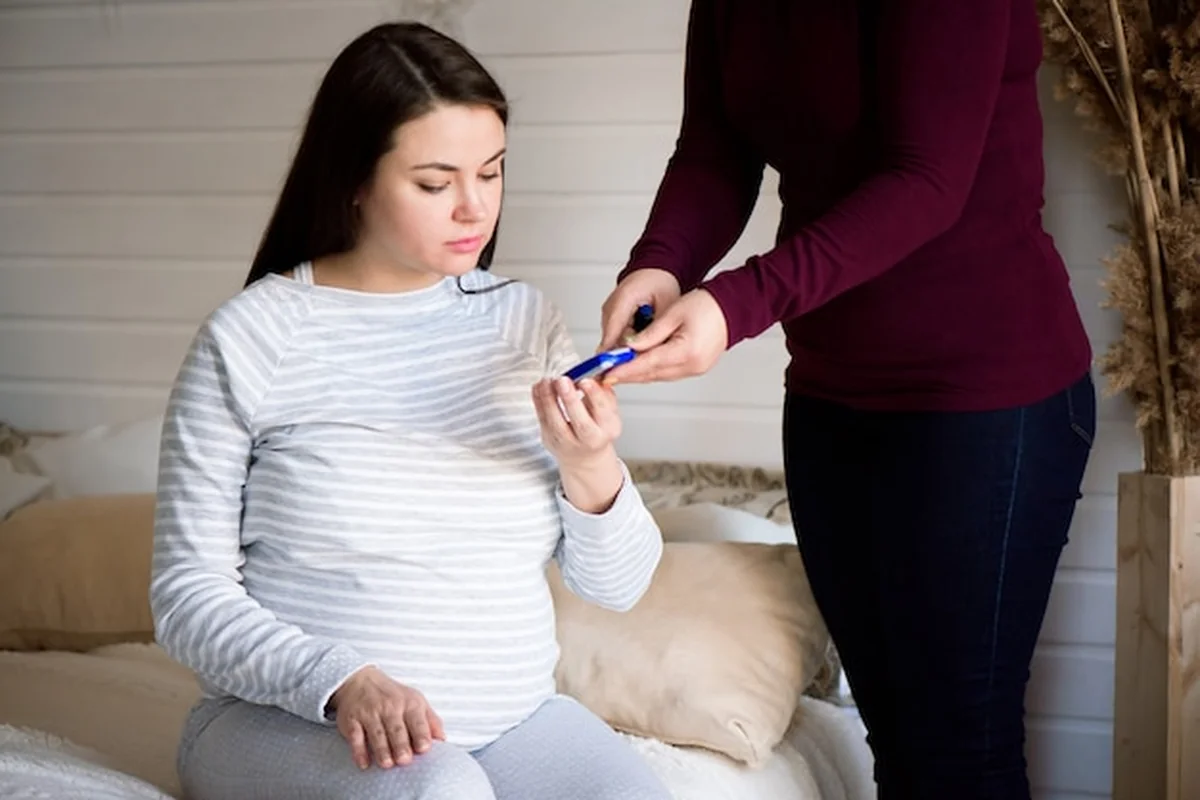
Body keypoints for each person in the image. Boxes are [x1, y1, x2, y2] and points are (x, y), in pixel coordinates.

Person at [150, 22, 671, 800]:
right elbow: (186, 597)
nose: (474, 208)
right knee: (443, 791)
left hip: (511, 723)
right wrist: (342, 680)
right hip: (289, 725)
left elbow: (618, 588)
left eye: (491, 173)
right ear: (353, 178)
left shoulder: (526, 326)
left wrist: (589, 463)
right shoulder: (253, 336)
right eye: (435, 183)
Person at [598, 2, 1096, 798]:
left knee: (958, 749)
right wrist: (659, 264)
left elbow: (926, 179)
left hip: (984, 401)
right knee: (896, 739)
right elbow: (715, 148)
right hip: (831, 396)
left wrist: (737, 303)